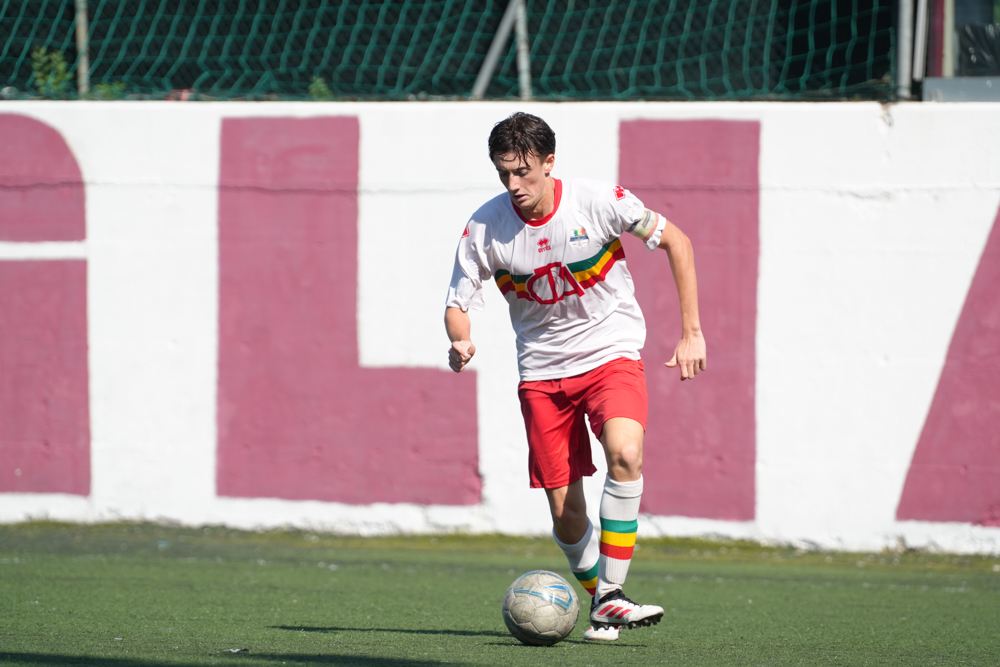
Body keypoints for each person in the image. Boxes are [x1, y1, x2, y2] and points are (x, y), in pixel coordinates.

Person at [444, 112, 706, 642]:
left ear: (549, 163)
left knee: (625, 453)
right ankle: (606, 601)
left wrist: (692, 332)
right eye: (503, 174)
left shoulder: (599, 201)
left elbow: (678, 242)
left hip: (610, 355)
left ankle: (609, 596)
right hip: (542, 375)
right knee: (567, 515)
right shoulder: (484, 228)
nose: (514, 185)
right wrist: (460, 339)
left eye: (523, 172)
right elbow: (457, 302)